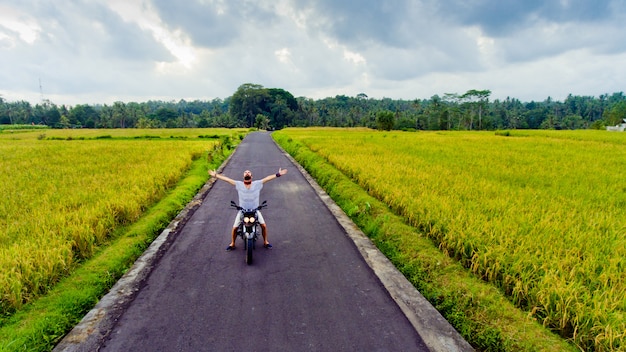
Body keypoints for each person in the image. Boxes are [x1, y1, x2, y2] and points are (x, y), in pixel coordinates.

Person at [209, 168, 288, 251]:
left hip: (255, 210)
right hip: (242, 210)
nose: (247, 173)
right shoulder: (238, 184)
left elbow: (267, 178)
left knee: (263, 226)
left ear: (251, 176)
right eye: (245, 172)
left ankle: (265, 241)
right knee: (235, 227)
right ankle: (232, 243)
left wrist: (278, 174)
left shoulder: (257, 184)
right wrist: (216, 175)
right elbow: (227, 179)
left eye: (249, 172)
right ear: (243, 176)